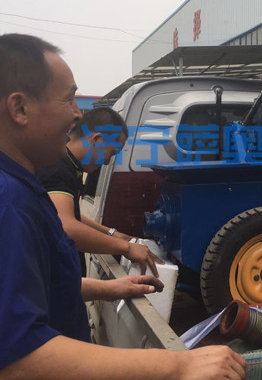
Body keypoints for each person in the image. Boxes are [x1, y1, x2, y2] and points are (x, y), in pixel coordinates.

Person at [0, 34, 247, 380]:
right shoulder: (10, 202)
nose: (77, 114)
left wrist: (109, 288)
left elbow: (38, 285)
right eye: (69, 99)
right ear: (20, 109)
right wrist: (178, 365)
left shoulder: (25, 187)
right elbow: (17, 359)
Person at [36, 107, 163, 276]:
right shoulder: (58, 169)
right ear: (97, 140)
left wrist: (112, 234)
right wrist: (126, 248)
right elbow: (65, 226)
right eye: (112, 153)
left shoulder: (69, 166)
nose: (107, 162)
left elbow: (67, 214)